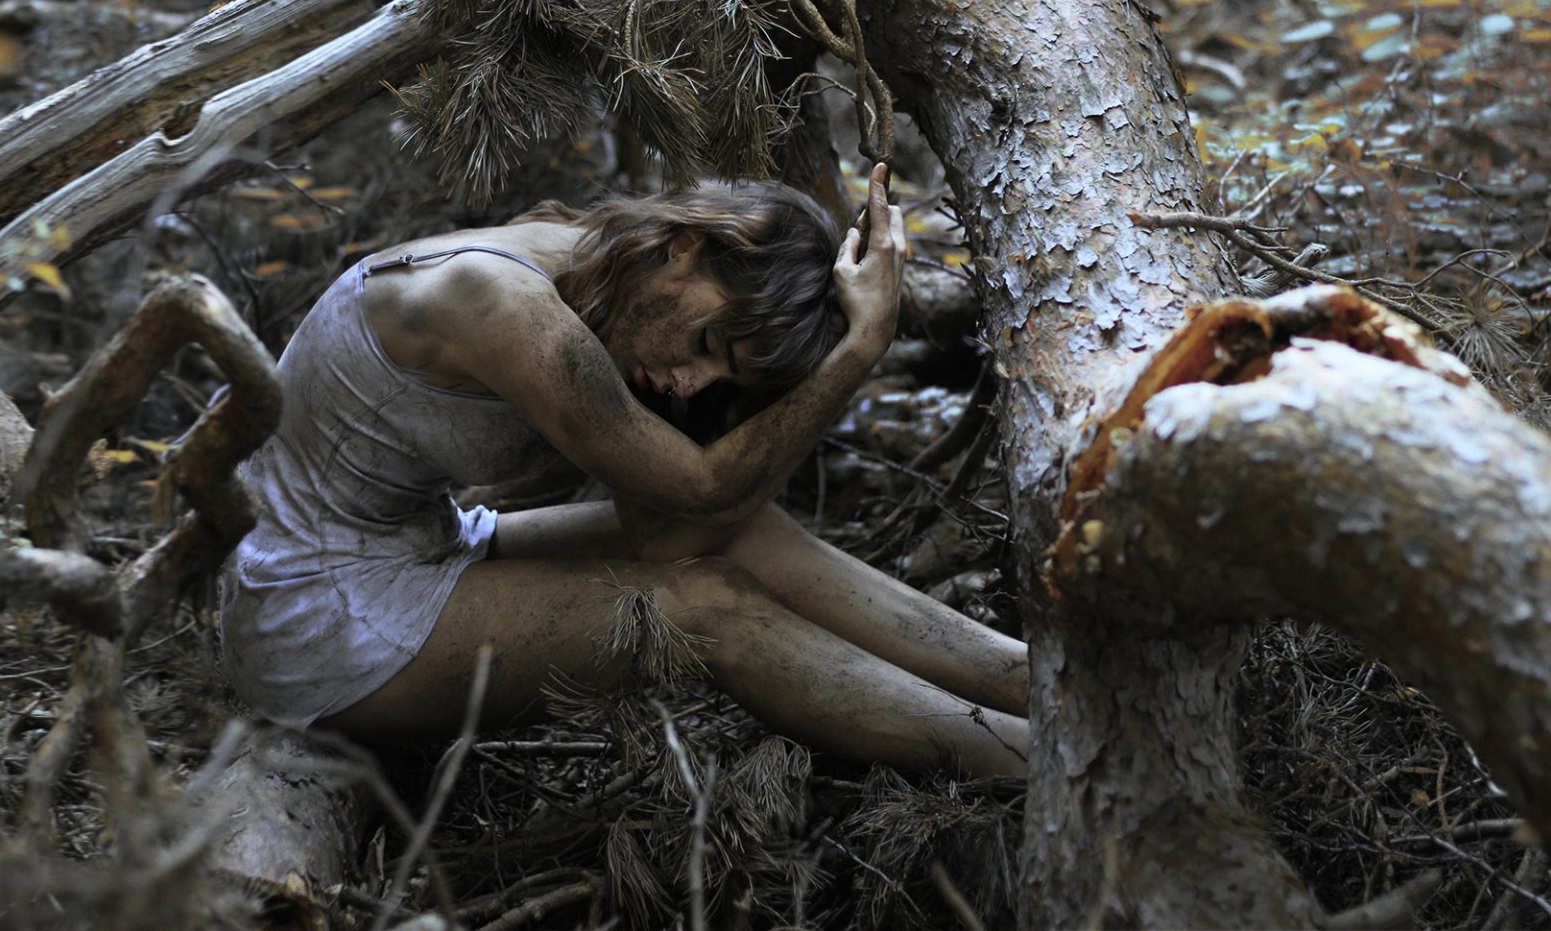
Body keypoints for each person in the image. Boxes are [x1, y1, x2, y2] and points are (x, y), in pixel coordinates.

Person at [219, 164, 1029, 778]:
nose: (689, 381)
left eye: (719, 379)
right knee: (703, 610)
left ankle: (1027, 681)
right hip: (315, 611)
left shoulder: (597, 269)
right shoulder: (497, 301)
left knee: (743, 535)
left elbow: (681, 523)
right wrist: (859, 349)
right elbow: (698, 488)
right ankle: (1029, 761)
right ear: (686, 245)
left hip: (422, 549)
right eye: (710, 346)